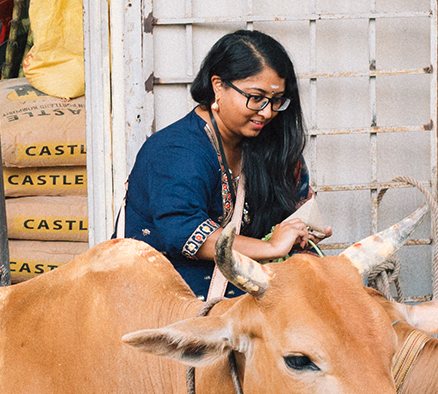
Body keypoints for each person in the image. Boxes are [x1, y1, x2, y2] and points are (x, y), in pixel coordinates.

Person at [124, 29, 329, 299]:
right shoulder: (176, 151)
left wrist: (301, 232)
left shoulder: (271, 143)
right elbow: (186, 236)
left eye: (276, 101)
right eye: (256, 98)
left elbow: (293, 208)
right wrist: (271, 248)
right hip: (169, 292)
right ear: (218, 86)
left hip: (242, 282)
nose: (267, 112)